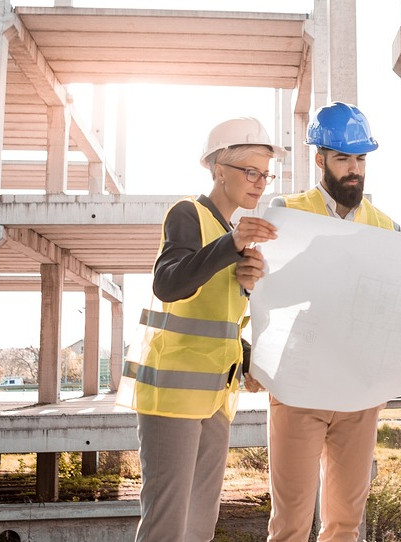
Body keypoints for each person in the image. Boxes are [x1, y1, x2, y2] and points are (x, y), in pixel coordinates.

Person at [117, 116, 284, 542]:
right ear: (218, 168)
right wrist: (231, 247)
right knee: (167, 524)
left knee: (199, 526)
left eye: (265, 174)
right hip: (172, 396)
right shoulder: (188, 214)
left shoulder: (231, 233)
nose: (260, 182)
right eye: (250, 171)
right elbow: (169, 283)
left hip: (215, 397)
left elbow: (218, 323)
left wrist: (250, 353)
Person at [236, 102, 397, 542]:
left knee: (345, 522)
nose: (354, 170)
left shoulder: (386, 227)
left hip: (357, 392)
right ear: (319, 159)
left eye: (361, 159)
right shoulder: (285, 214)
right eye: (344, 158)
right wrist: (253, 354)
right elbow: (255, 292)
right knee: (289, 524)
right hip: (298, 386)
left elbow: (395, 309)